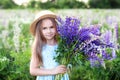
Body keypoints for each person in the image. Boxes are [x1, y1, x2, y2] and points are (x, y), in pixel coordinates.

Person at [29, 10, 69, 80]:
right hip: (46, 77)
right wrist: (53, 71)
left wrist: (67, 67)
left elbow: (66, 61)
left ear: (56, 27)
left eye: (51, 27)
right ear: (39, 31)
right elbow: (33, 70)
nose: (49, 31)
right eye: (44, 28)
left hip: (62, 77)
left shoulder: (62, 44)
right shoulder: (39, 46)